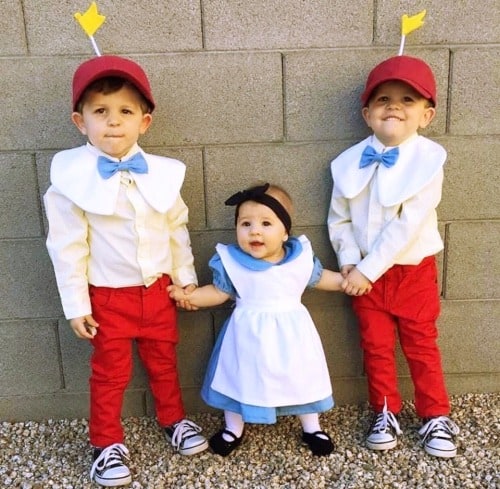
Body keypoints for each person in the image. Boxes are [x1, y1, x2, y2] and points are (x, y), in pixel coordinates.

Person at [43, 55, 208, 487]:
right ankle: (106, 441)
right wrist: (77, 305)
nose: (113, 123)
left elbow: (175, 228)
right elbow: (66, 247)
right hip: (108, 297)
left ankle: (173, 419)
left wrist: (184, 276)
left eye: (125, 112)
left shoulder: (162, 176)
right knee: (110, 371)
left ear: (145, 122)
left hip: (157, 291)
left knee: (163, 361)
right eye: (101, 112)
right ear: (80, 121)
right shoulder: (70, 181)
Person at [327, 55, 459, 458]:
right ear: (367, 114)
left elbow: (409, 224)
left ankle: (435, 414)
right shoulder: (349, 163)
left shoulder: (428, 161)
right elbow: (339, 217)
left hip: (412, 270)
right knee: (376, 345)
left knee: (421, 343)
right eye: (383, 98)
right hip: (363, 274)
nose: (394, 106)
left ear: (427, 115)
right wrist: (349, 261)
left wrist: (366, 269)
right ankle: (385, 409)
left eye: (407, 99)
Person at [169, 183, 344, 457]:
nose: (255, 231)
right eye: (245, 223)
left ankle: (312, 426)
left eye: (266, 223)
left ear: (285, 231)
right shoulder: (231, 261)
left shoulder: (300, 259)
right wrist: (189, 297)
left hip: (293, 335)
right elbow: (217, 292)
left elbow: (324, 278)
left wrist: (351, 281)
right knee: (237, 376)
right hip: (246, 336)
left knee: (302, 376)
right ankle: (233, 428)